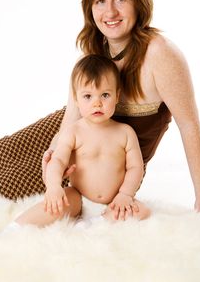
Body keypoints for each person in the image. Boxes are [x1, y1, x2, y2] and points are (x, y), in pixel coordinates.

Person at [0, 0, 200, 215]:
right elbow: (70, 120)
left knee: (5, 193)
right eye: (100, 1)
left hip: (109, 162)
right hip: (76, 135)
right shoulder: (93, 51)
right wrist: (54, 154)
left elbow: (189, 125)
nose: (110, 12)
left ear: (139, 3)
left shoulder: (161, 54)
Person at [12, 54, 151, 227]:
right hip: (78, 196)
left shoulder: (125, 133)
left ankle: (96, 223)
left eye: (105, 95)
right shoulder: (74, 132)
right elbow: (58, 160)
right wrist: (54, 186)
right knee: (52, 206)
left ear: (117, 96)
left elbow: (136, 167)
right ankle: (16, 228)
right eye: (88, 96)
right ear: (76, 99)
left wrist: (126, 194)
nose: (97, 103)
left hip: (114, 200)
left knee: (143, 211)